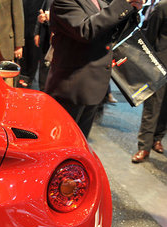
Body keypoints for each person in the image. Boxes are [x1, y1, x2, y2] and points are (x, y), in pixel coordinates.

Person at [44, 0, 143, 138]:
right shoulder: (63, 1)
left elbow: (112, 30)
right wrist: (122, 4)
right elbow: (86, 30)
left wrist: (131, 9)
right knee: (61, 142)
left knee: (80, 143)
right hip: (71, 87)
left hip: (94, 86)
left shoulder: (99, 1)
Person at [132, 0, 167, 163]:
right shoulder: (162, 6)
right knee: (153, 107)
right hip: (161, 65)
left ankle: (157, 138)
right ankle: (143, 147)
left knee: (166, 107)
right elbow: (150, 35)